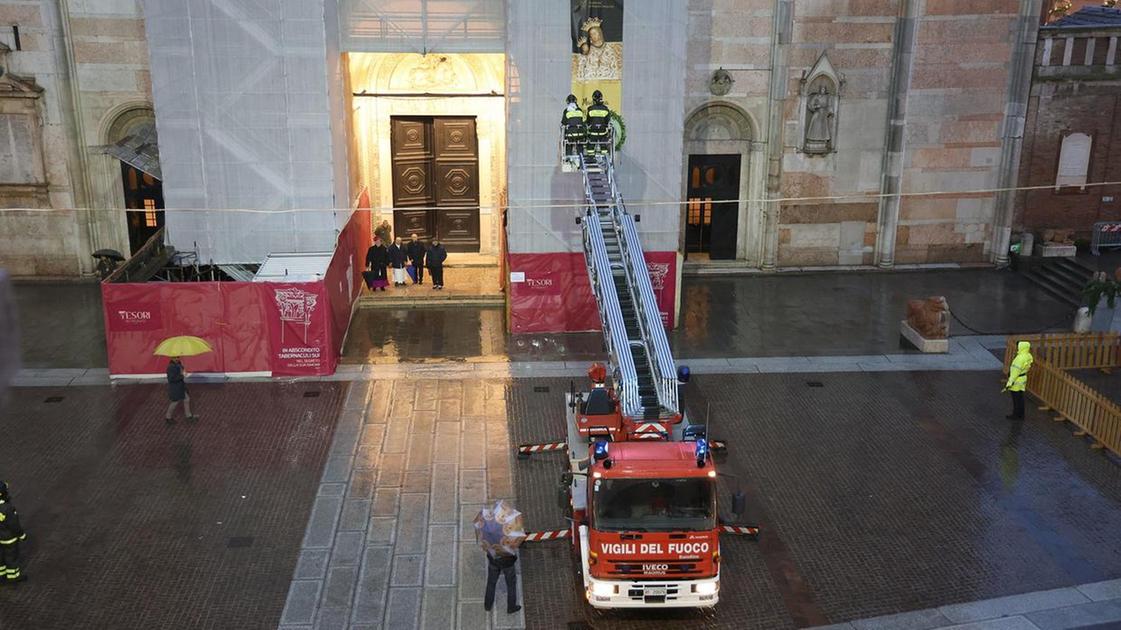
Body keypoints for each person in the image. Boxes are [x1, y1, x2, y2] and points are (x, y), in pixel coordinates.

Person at [0, 481, 27, 584]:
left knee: (0, 558)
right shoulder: (7, 508)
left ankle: (1, 576)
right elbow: (14, 525)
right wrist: (22, 535)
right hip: (9, 539)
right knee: (11, 557)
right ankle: (13, 576)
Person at [1003, 341, 1033, 420]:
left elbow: (1015, 371)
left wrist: (1010, 381)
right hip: (1023, 378)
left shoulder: (1020, 358)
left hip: (1016, 380)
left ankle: (1016, 414)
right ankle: (1021, 414)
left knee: (1016, 398)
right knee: (1020, 397)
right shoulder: (1028, 356)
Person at [165, 357, 198, 425]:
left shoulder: (179, 364)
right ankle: (168, 417)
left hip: (181, 387)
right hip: (175, 388)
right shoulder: (170, 367)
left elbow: (181, 370)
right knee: (175, 402)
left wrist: (183, 370)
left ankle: (188, 416)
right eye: (175, 358)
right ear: (172, 358)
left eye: (177, 357)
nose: (177, 358)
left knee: (186, 399)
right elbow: (171, 379)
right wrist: (182, 375)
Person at [585, 90, 611, 156]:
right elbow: (607, 121)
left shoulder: (590, 109)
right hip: (603, 132)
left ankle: (591, 159)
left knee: (590, 147)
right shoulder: (605, 109)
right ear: (601, 98)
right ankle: (604, 159)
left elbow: (588, 121)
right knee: (603, 146)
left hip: (593, 132)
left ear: (593, 99)